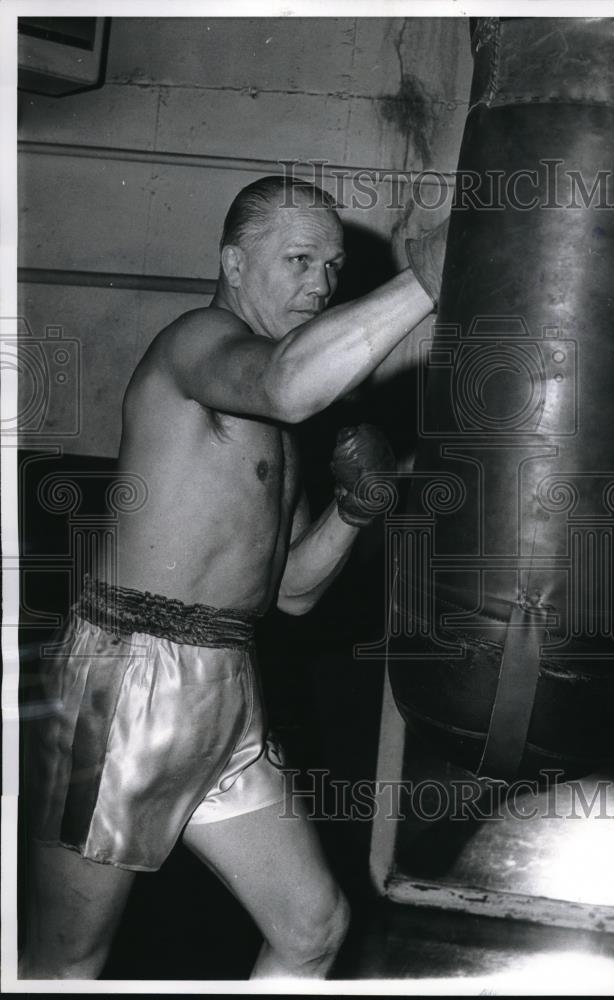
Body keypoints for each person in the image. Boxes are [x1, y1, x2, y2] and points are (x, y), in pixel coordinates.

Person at [21, 175, 448, 980]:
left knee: (314, 928)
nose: (320, 283)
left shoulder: (282, 425)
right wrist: (427, 280)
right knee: (63, 962)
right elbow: (288, 382)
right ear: (232, 263)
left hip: (227, 684)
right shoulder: (197, 343)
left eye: (330, 266)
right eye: (297, 259)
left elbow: (290, 592)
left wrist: (355, 513)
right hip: (127, 682)